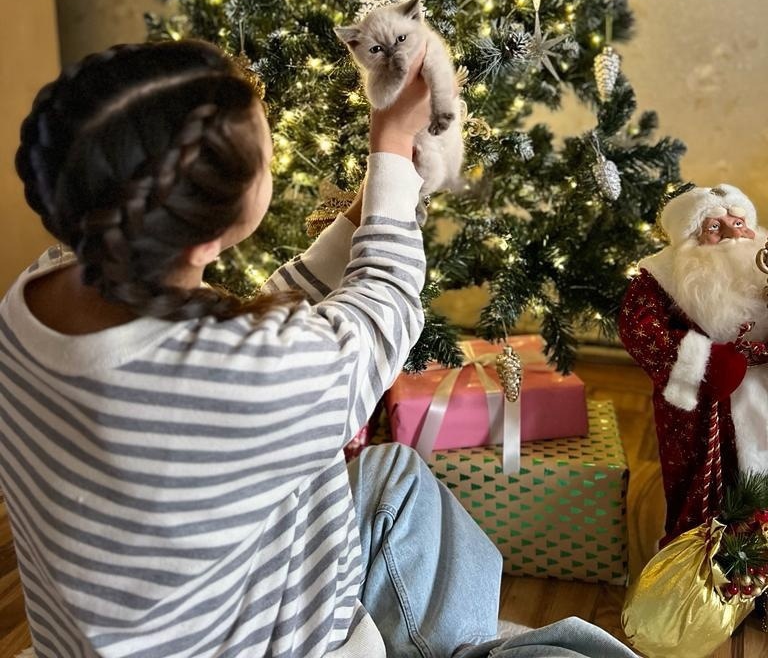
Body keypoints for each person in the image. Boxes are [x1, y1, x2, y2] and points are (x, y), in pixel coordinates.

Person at [1, 38, 635, 658]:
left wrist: (365, 212)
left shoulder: (39, 294)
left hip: (151, 610)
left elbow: (247, 336)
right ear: (210, 233)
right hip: (282, 639)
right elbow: (381, 306)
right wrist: (388, 146)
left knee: (395, 476)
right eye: (268, 161)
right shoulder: (235, 380)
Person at [618, 184, 768, 545]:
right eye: (716, 227)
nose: (734, 232)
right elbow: (638, 327)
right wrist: (702, 361)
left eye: (738, 221)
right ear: (691, 235)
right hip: (704, 402)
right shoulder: (662, 274)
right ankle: (699, 564)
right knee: (706, 493)